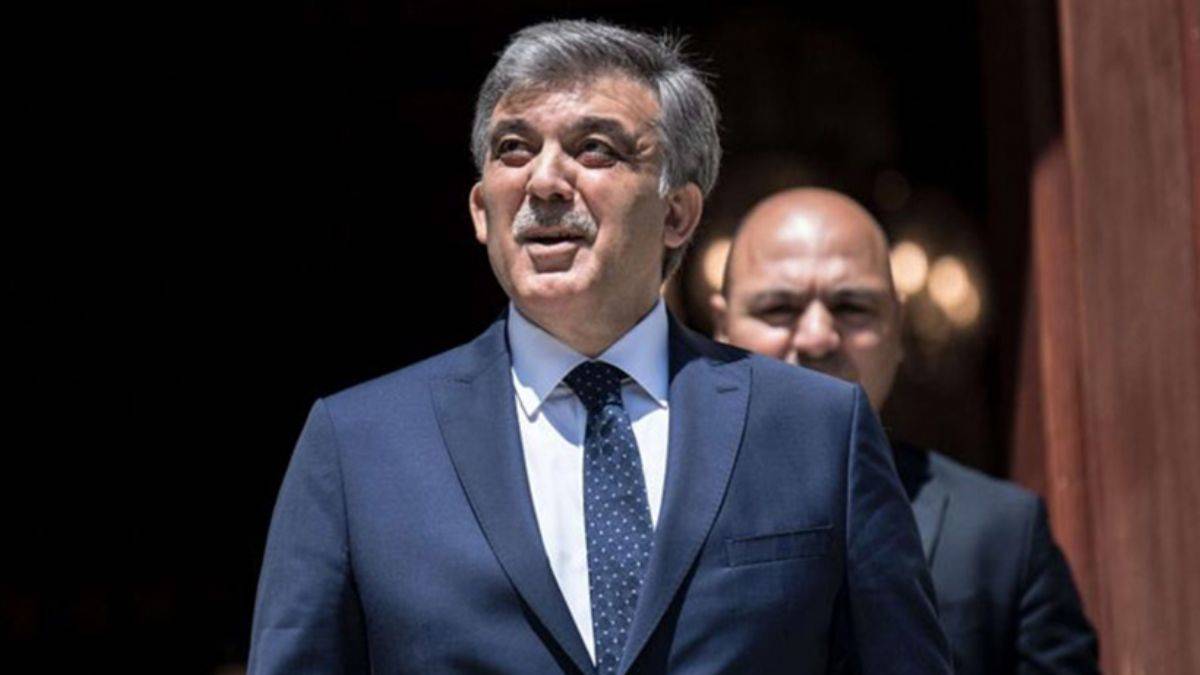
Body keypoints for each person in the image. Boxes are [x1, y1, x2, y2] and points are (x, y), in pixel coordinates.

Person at [248, 22, 951, 674]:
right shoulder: (357, 447)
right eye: (514, 148)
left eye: (595, 149)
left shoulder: (817, 429)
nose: (545, 182)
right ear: (480, 209)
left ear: (678, 213)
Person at [712, 186, 1100, 674]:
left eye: (852, 307)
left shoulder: (1002, 535)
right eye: (778, 309)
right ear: (721, 328)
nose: (817, 338)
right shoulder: (656, 519)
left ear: (897, 326)